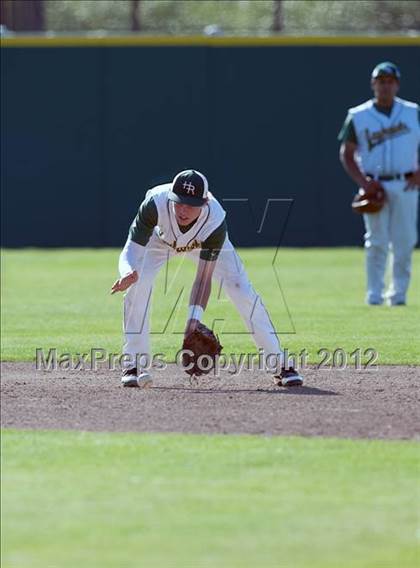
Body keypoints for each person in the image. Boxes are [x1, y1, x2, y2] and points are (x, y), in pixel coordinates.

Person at [111, 169, 303, 388]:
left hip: (202, 242)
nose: (183, 209)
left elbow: (203, 279)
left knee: (241, 289)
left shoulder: (214, 219)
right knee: (138, 285)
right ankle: (134, 364)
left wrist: (193, 322)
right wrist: (127, 271)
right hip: (159, 242)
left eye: (190, 204)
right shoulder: (155, 204)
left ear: (204, 203)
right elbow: (131, 251)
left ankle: (281, 365)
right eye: (179, 202)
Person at [338, 61, 420, 306]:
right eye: (380, 81)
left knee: (405, 240)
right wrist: (363, 182)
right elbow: (347, 152)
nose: (385, 86)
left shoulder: (412, 111)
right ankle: (374, 295)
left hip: (406, 183)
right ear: (373, 84)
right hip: (375, 187)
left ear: (396, 84)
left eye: (389, 82)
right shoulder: (359, 115)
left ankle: (398, 295)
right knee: (376, 241)